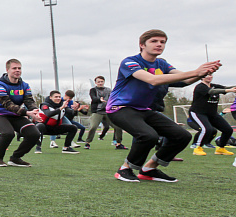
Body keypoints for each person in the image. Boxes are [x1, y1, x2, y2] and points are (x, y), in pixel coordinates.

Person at [106, 29, 220, 182]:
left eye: (162, 42)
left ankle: (149, 169)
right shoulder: (130, 62)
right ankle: (125, 168)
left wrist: (202, 73)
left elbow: (186, 80)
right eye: (154, 41)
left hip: (144, 110)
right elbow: (153, 79)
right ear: (142, 45)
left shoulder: (162, 64)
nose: (159, 44)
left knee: (182, 136)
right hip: (120, 108)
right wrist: (195, 71)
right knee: (148, 136)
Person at [0, 59, 42, 168]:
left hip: (15, 115)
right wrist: (27, 112)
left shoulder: (25, 85)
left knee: (34, 134)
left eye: (19, 68)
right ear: (7, 70)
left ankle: (15, 158)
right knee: (8, 133)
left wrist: (35, 111)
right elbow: (8, 104)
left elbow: (29, 101)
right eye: (14, 68)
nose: (17, 71)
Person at [187, 74, 235, 156]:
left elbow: (226, 88)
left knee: (228, 129)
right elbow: (211, 92)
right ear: (201, 77)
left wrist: (231, 88)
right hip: (198, 113)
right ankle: (198, 148)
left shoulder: (214, 86)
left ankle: (221, 148)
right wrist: (229, 91)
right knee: (207, 129)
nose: (209, 76)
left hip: (212, 114)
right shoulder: (200, 87)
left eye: (211, 75)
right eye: (207, 75)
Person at [84, 76, 124, 150]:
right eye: (98, 82)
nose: (100, 83)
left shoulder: (108, 90)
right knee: (93, 127)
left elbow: (113, 98)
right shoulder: (93, 90)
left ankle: (119, 144)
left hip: (107, 111)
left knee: (118, 126)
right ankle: (87, 143)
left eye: (101, 81)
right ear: (95, 83)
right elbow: (93, 98)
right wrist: (100, 99)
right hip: (97, 112)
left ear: (104, 82)